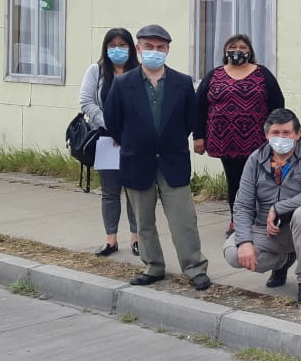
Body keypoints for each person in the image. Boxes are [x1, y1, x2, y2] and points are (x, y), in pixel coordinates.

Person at [104, 24, 211, 291]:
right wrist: (136, 140)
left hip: (173, 161)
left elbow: (190, 120)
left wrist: (166, 139)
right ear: (138, 49)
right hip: (136, 160)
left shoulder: (182, 82)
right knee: (144, 221)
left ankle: (194, 267)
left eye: (160, 48)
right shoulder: (122, 83)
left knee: (183, 220)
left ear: (167, 51)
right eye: (149, 47)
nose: (155, 52)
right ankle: (153, 266)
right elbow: (112, 121)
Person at [223, 108, 301, 305]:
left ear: (297, 134)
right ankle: (284, 261)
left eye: (286, 133)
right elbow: (243, 205)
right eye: (275, 133)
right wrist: (244, 241)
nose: (281, 137)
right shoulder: (255, 159)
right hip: (266, 230)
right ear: (266, 134)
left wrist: (278, 208)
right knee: (233, 253)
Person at [193, 34, 285, 237]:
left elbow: (278, 104)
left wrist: (278, 135)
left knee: (261, 182)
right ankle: (237, 221)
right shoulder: (214, 75)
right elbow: (199, 107)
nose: (238, 50)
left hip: (257, 141)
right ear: (225, 51)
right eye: (233, 46)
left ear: (250, 51)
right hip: (226, 141)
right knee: (235, 182)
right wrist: (198, 137)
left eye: (243, 47)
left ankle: (262, 219)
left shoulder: (263, 74)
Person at [79, 28, 140, 257]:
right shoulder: (96, 71)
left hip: (133, 141)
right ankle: (111, 240)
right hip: (106, 140)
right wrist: (111, 125)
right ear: (105, 48)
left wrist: (129, 129)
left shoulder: (139, 71)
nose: (117, 49)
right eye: (112, 45)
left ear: (131, 48)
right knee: (110, 192)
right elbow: (86, 102)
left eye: (122, 45)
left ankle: (137, 238)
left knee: (134, 191)